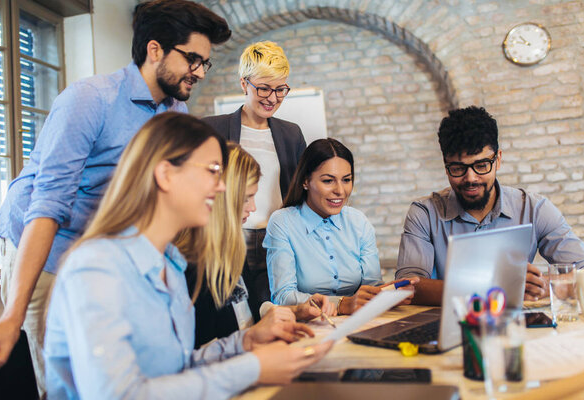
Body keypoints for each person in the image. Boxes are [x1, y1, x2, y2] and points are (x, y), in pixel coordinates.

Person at [0, 0, 231, 392]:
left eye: (205, 62)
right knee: (66, 382)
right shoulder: (91, 99)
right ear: (155, 50)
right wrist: (11, 316)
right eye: (193, 59)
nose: (200, 72)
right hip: (46, 243)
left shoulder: (177, 115)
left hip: (103, 250)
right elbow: (48, 205)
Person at [43, 112, 332, 400]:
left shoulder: (168, 262)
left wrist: (244, 342)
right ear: (166, 174)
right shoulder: (96, 269)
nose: (221, 187)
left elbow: (179, 368)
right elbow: (120, 395)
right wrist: (251, 368)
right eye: (212, 171)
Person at [396, 106, 584, 305]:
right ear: (446, 166)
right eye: (458, 168)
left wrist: (544, 285)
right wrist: (498, 285)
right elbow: (406, 287)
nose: (470, 178)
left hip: (514, 328)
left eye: (481, 166)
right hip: (448, 328)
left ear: (498, 159)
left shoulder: (534, 209)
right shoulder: (424, 213)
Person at [176, 143, 335, 348]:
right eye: (245, 199)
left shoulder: (230, 246)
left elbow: (247, 310)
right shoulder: (187, 265)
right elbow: (199, 350)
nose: (253, 208)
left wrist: (294, 312)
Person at [203, 41, 306, 311]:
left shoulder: (291, 133)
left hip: (277, 238)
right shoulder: (213, 129)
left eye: (280, 89)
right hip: (231, 235)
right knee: (236, 312)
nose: (272, 97)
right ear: (243, 84)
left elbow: (300, 191)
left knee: (277, 308)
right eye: (263, 88)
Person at [265, 138, 417, 315]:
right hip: (309, 325)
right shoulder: (282, 222)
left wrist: (388, 294)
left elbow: (372, 286)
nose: (340, 191)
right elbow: (283, 296)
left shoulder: (358, 222)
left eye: (346, 180)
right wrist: (341, 304)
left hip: (359, 320)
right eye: (328, 181)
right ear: (306, 181)